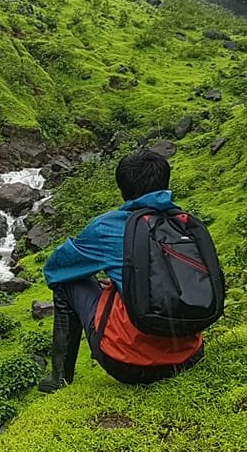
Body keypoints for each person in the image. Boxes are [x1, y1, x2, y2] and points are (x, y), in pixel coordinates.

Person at [39, 149, 205, 390]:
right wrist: (122, 282)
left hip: (130, 364)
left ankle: (59, 380)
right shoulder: (186, 223)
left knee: (66, 283)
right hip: (190, 355)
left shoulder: (109, 226)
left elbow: (55, 269)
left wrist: (105, 276)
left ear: (123, 189)